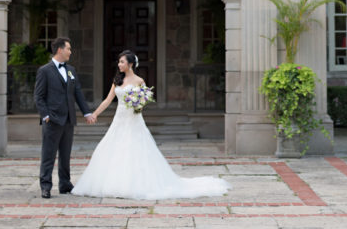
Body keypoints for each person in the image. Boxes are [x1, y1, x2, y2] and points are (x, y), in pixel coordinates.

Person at [72, 50, 231, 200]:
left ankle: (135, 184)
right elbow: (107, 100)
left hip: (134, 119)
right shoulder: (117, 80)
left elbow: (143, 101)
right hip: (119, 119)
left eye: (121, 62)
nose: (119, 65)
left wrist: (138, 104)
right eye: (118, 62)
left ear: (130, 64)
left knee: (135, 150)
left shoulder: (139, 81)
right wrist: (95, 114)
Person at [34, 37, 96, 198]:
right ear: (60, 50)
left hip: (69, 118)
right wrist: (46, 116)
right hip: (52, 119)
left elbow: (78, 93)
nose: (70, 51)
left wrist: (87, 113)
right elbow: (38, 97)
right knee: (48, 154)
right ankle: (45, 186)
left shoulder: (71, 70)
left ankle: (65, 183)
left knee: (65, 154)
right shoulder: (44, 71)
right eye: (68, 48)